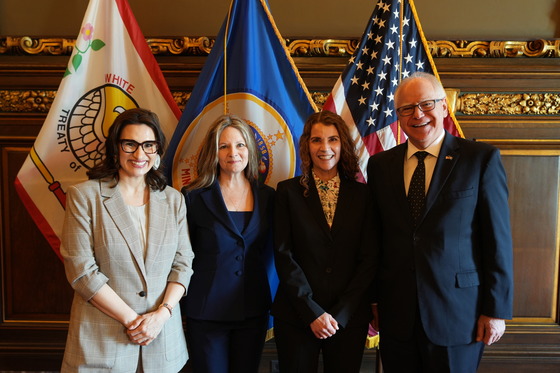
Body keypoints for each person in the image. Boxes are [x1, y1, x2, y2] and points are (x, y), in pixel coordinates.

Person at [367, 72, 514, 372]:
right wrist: (373, 300)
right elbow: (375, 237)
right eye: (407, 108)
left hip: (460, 314)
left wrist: (496, 310)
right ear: (398, 116)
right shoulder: (381, 165)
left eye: (426, 104)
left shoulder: (479, 159)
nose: (417, 114)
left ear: (444, 106)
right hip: (397, 315)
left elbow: (497, 240)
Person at [60, 108, 194, 372]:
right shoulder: (84, 196)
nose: (139, 154)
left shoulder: (173, 199)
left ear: (157, 150)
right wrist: (135, 322)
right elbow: (81, 272)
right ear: (115, 148)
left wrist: (161, 316)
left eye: (148, 145)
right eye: (130, 144)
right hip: (103, 342)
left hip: (163, 340)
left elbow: (183, 263)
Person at [272, 110, 376, 373]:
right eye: (317, 140)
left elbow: (369, 259)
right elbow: (284, 256)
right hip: (297, 315)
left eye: (333, 139)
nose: (325, 147)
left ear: (343, 144)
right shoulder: (287, 192)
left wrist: (340, 314)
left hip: (348, 318)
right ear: (307, 145)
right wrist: (312, 311)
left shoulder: (364, 195)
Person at [181, 114, 276, 373]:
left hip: (253, 310)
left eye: (240, 145)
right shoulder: (193, 197)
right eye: (224, 146)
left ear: (250, 150)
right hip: (206, 312)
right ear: (214, 152)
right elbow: (182, 255)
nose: (233, 152)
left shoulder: (269, 197)